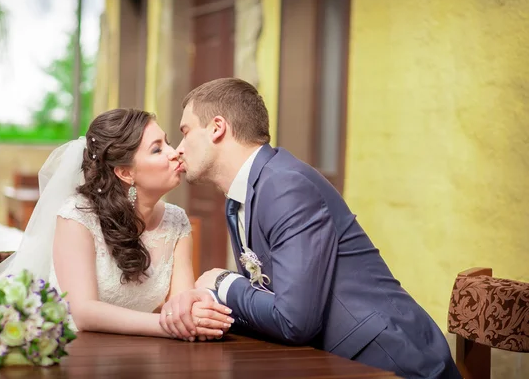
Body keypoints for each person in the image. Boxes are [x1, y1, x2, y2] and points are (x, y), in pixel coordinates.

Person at [160, 78, 462, 378]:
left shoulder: (284, 184)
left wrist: (223, 283)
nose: (179, 149)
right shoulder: (238, 199)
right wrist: (214, 306)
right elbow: (268, 294)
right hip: (326, 358)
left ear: (217, 127)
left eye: (185, 132)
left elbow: (294, 321)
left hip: (390, 360)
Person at [0, 108, 231, 341]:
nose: (175, 153)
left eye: (168, 142)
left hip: (134, 353)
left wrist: (197, 313)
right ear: (125, 172)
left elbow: (178, 306)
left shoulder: (177, 222)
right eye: (158, 149)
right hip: (64, 348)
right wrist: (167, 326)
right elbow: (84, 312)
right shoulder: (77, 217)